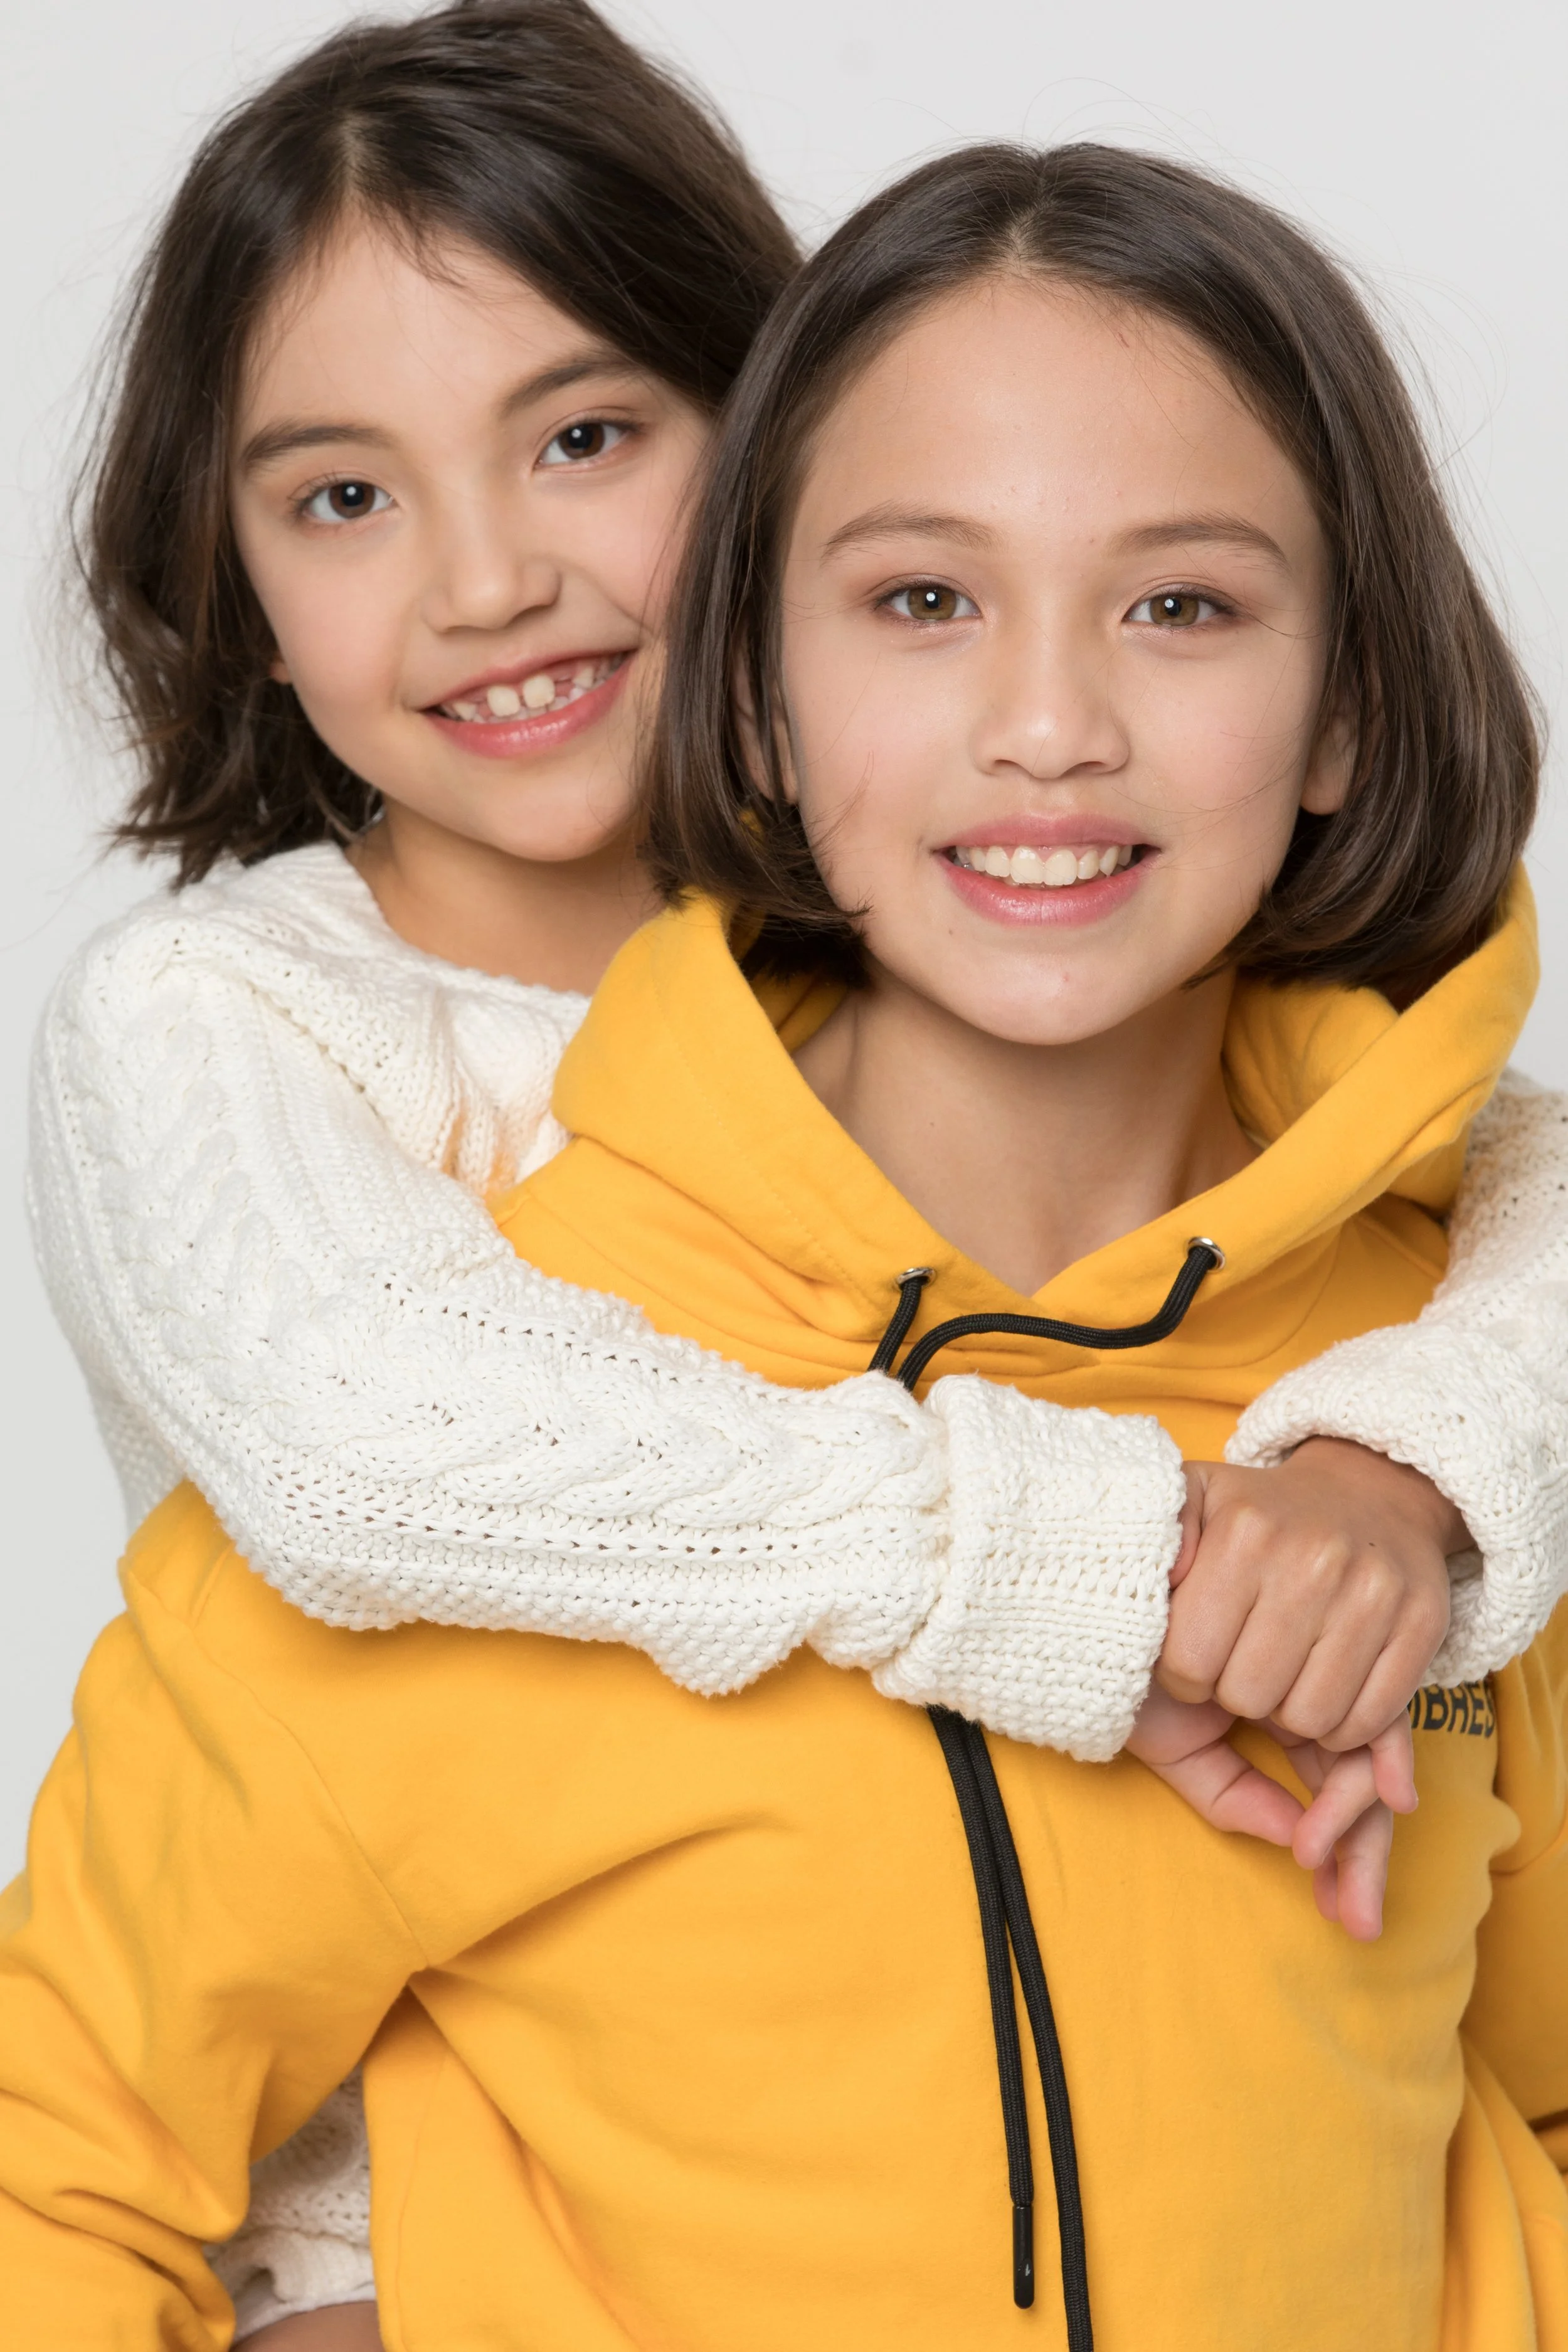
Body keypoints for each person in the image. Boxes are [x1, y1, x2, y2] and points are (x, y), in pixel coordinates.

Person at [4, 137, 1564, 2348]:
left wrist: (1410, 1466)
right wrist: (1085, 1558)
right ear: (758, 683)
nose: (1048, 721)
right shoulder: (459, 1413)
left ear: (1350, 711)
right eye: (923, 597)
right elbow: (54, 2181)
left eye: (1182, 602)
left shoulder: (1437, 1420)